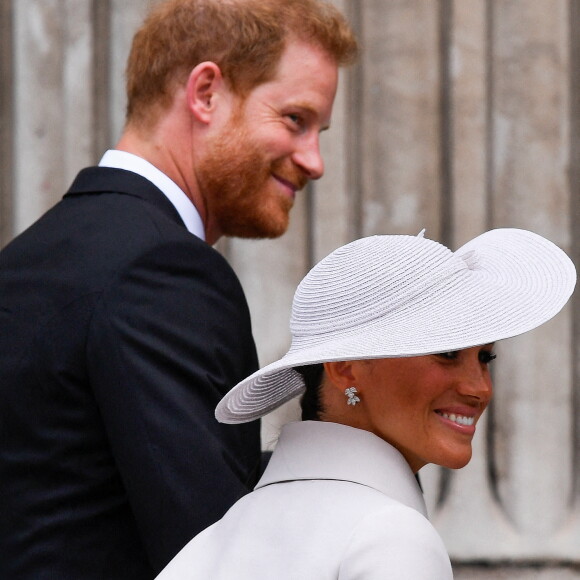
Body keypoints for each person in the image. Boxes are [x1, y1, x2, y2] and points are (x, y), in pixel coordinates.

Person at [0, 0, 357, 578]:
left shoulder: (28, 258)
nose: (314, 161)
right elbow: (216, 551)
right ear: (206, 93)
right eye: (295, 119)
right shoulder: (161, 269)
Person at [155, 228, 576, 579]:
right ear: (344, 368)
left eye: (485, 357)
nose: (479, 388)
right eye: (447, 352)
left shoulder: (215, 539)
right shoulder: (390, 535)